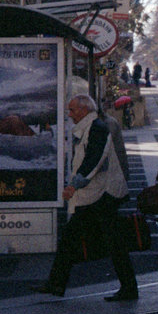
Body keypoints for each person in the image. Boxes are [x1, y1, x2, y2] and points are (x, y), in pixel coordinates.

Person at [34, 95, 138, 301]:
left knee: (103, 240)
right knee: (80, 238)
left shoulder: (97, 128)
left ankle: (57, 283)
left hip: (103, 194)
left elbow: (95, 159)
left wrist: (75, 184)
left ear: (83, 110)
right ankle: (56, 283)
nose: (69, 114)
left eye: (72, 110)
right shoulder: (91, 126)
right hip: (96, 193)